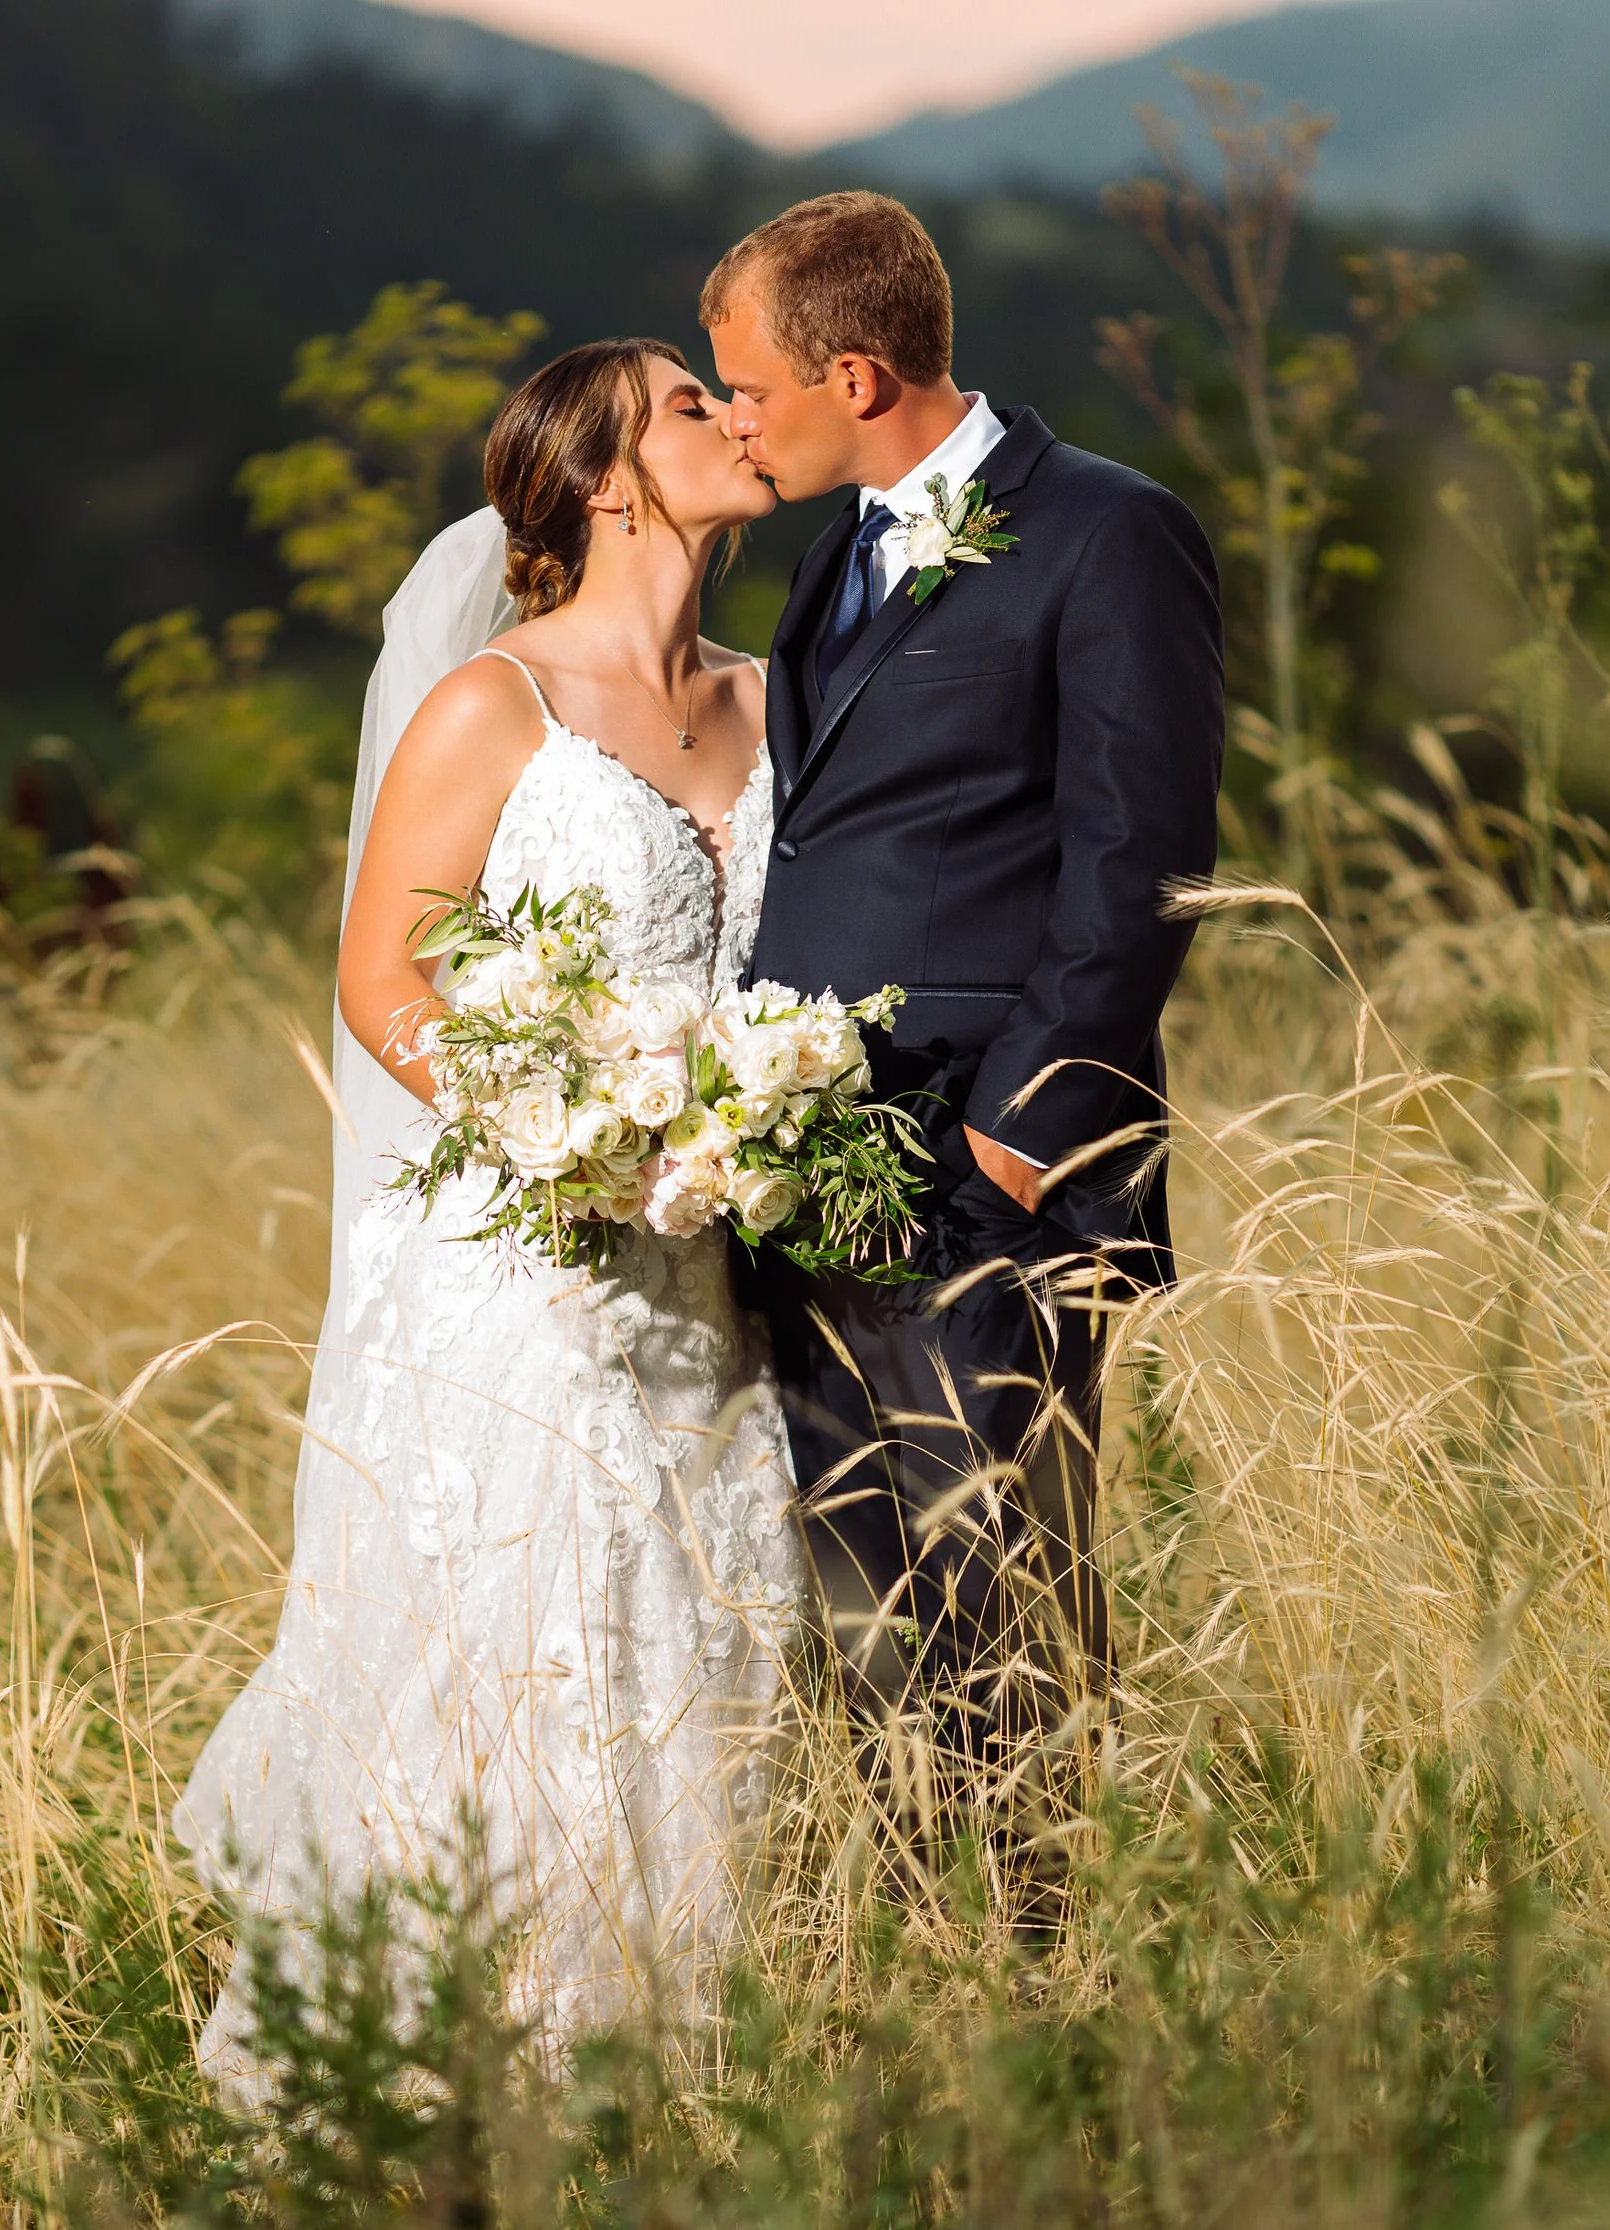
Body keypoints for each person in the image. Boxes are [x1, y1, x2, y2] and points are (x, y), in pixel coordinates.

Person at [176, 340, 802, 2096]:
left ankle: (675, 2093)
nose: (733, 418)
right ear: (607, 477)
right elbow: (387, 977)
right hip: (517, 1268)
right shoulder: (492, 707)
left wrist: (755, 1117)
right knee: (518, 1655)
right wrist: (559, 1129)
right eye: (692, 405)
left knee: (699, 1644)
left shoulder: (780, 696)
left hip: (705, 1266)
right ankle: (458, 2083)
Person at [703, 192, 1224, 1778]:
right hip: (807, 1173)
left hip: (986, 1167)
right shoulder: (823, 562)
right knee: (867, 1621)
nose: (733, 421)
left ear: (853, 378)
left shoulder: (1104, 530)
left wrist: (1020, 1133)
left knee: (1007, 1612)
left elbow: (1139, 859)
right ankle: (930, 1984)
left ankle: (1047, 1990)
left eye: (746, 389)